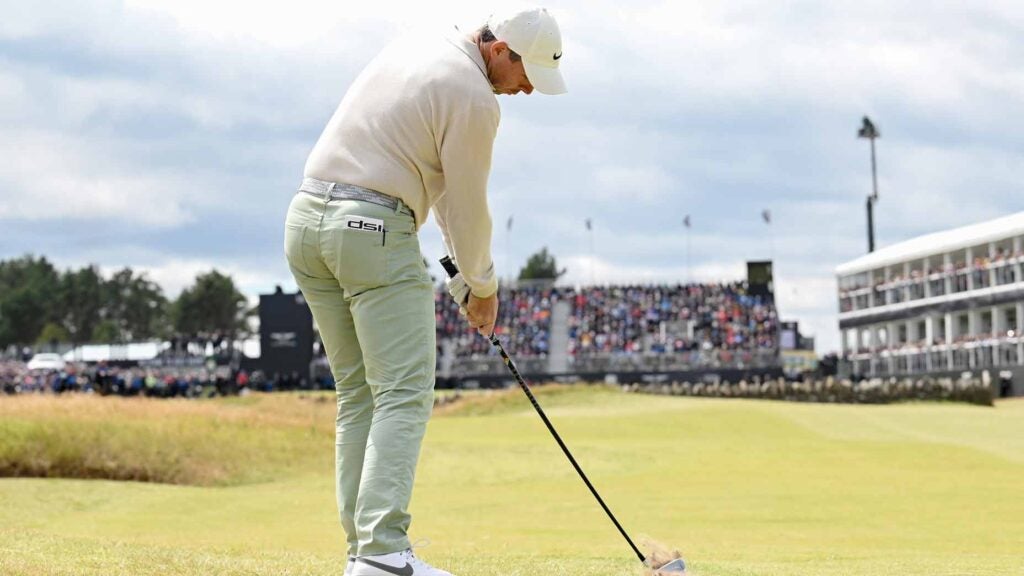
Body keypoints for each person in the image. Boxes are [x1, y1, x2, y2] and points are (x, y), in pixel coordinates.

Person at [284, 7, 566, 576]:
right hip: (371, 227)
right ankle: (383, 552)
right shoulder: (474, 97)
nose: (529, 89)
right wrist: (483, 288)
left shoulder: (421, 44)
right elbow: (466, 206)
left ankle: (364, 554)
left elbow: (433, 188)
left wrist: (463, 279)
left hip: (306, 222)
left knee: (359, 393)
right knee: (404, 391)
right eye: (527, 73)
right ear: (500, 50)